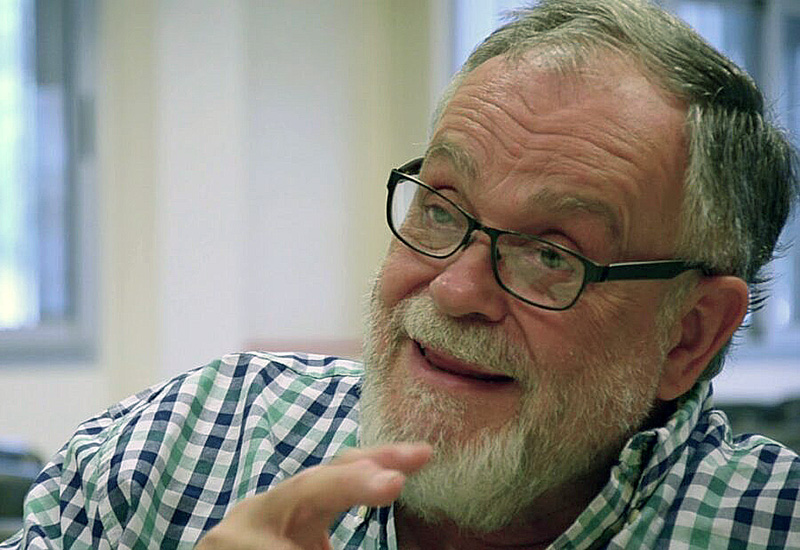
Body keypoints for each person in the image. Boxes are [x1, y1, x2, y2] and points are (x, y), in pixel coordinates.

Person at [4, 0, 799, 548]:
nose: (455, 290)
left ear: (688, 335)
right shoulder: (188, 441)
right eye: (442, 210)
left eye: (552, 254)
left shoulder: (771, 524)